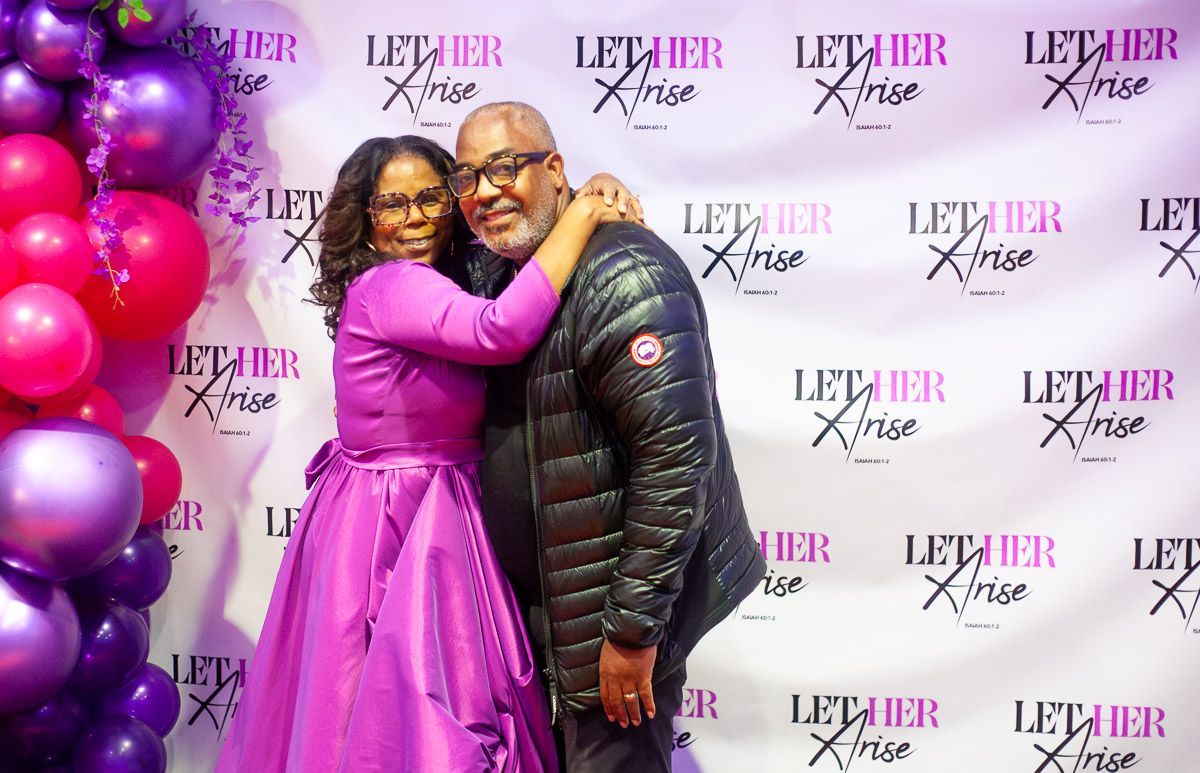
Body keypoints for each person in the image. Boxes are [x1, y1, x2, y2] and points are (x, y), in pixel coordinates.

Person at [217, 135, 641, 773]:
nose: (414, 219)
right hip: (400, 522)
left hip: (432, 506)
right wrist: (581, 212)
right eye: (392, 204)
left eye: (430, 199)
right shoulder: (394, 283)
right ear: (366, 219)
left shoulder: (439, 282)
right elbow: (500, 330)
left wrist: (590, 185)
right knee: (414, 717)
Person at [451, 103, 766, 771]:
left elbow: (675, 462)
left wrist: (631, 630)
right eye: (467, 178)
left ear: (553, 168)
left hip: (606, 630)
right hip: (540, 626)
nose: (484, 193)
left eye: (504, 168)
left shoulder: (623, 273)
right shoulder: (502, 274)